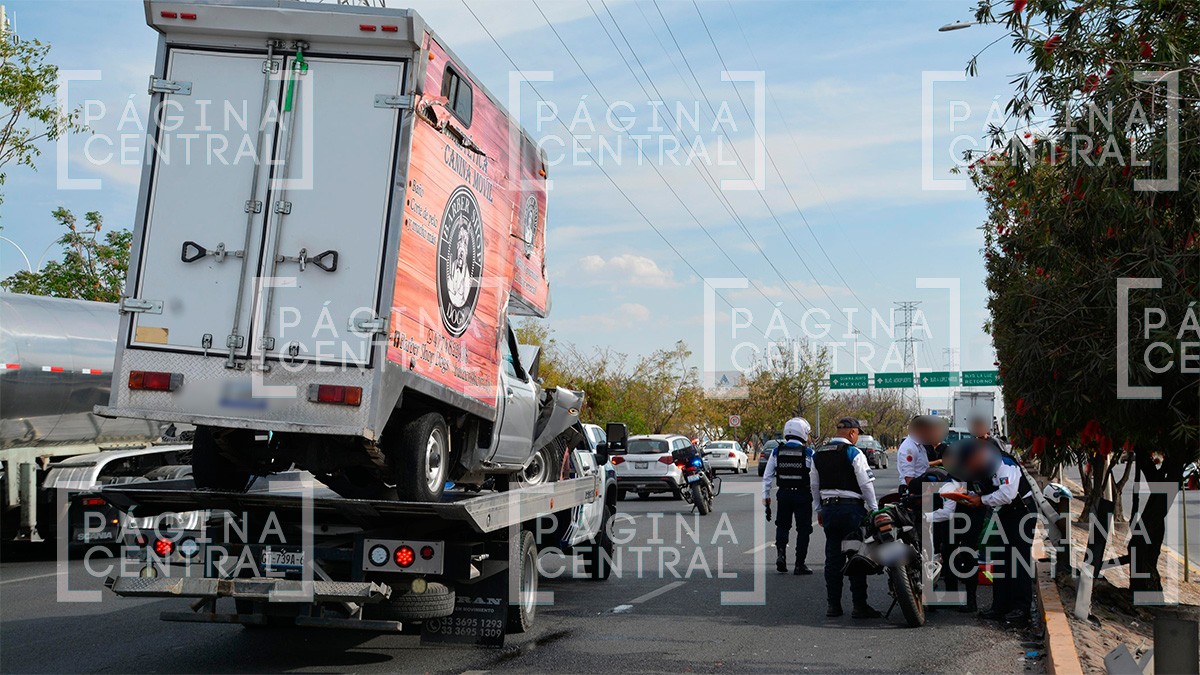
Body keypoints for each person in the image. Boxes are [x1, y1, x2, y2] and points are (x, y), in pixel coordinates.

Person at [943, 437, 1036, 626]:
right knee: (1001, 560)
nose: (968, 466)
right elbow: (980, 489)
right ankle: (1000, 606)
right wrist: (965, 496)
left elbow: (1007, 494)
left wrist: (981, 500)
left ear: (978, 455)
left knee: (1018, 560)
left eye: (969, 461)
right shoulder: (976, 468)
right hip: (1003, 513)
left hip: (1021, 512)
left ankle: (1021, 609)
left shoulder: (1004, 464)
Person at [810, 417, 880, 618]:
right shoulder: (854, 452)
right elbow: (866, 484)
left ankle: (833, 605)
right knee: (856, 556)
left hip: (829, 510)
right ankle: (859, 605)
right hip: (851, 511)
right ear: (852, 433)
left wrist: (819, 509)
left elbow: (814, 485)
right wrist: (874, 508)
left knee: (833, 559)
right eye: (858, 433)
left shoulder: (818, 454)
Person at [762, 417, 814, 575]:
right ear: (803, 433)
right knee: (803, 529)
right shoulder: (808, 453)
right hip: (803, 495)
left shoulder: (777, 451)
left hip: (783, 494)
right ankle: (799, 564)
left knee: (782, 526)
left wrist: (766, 495)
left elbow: (767, 476)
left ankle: (781, 556)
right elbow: (815, 477)